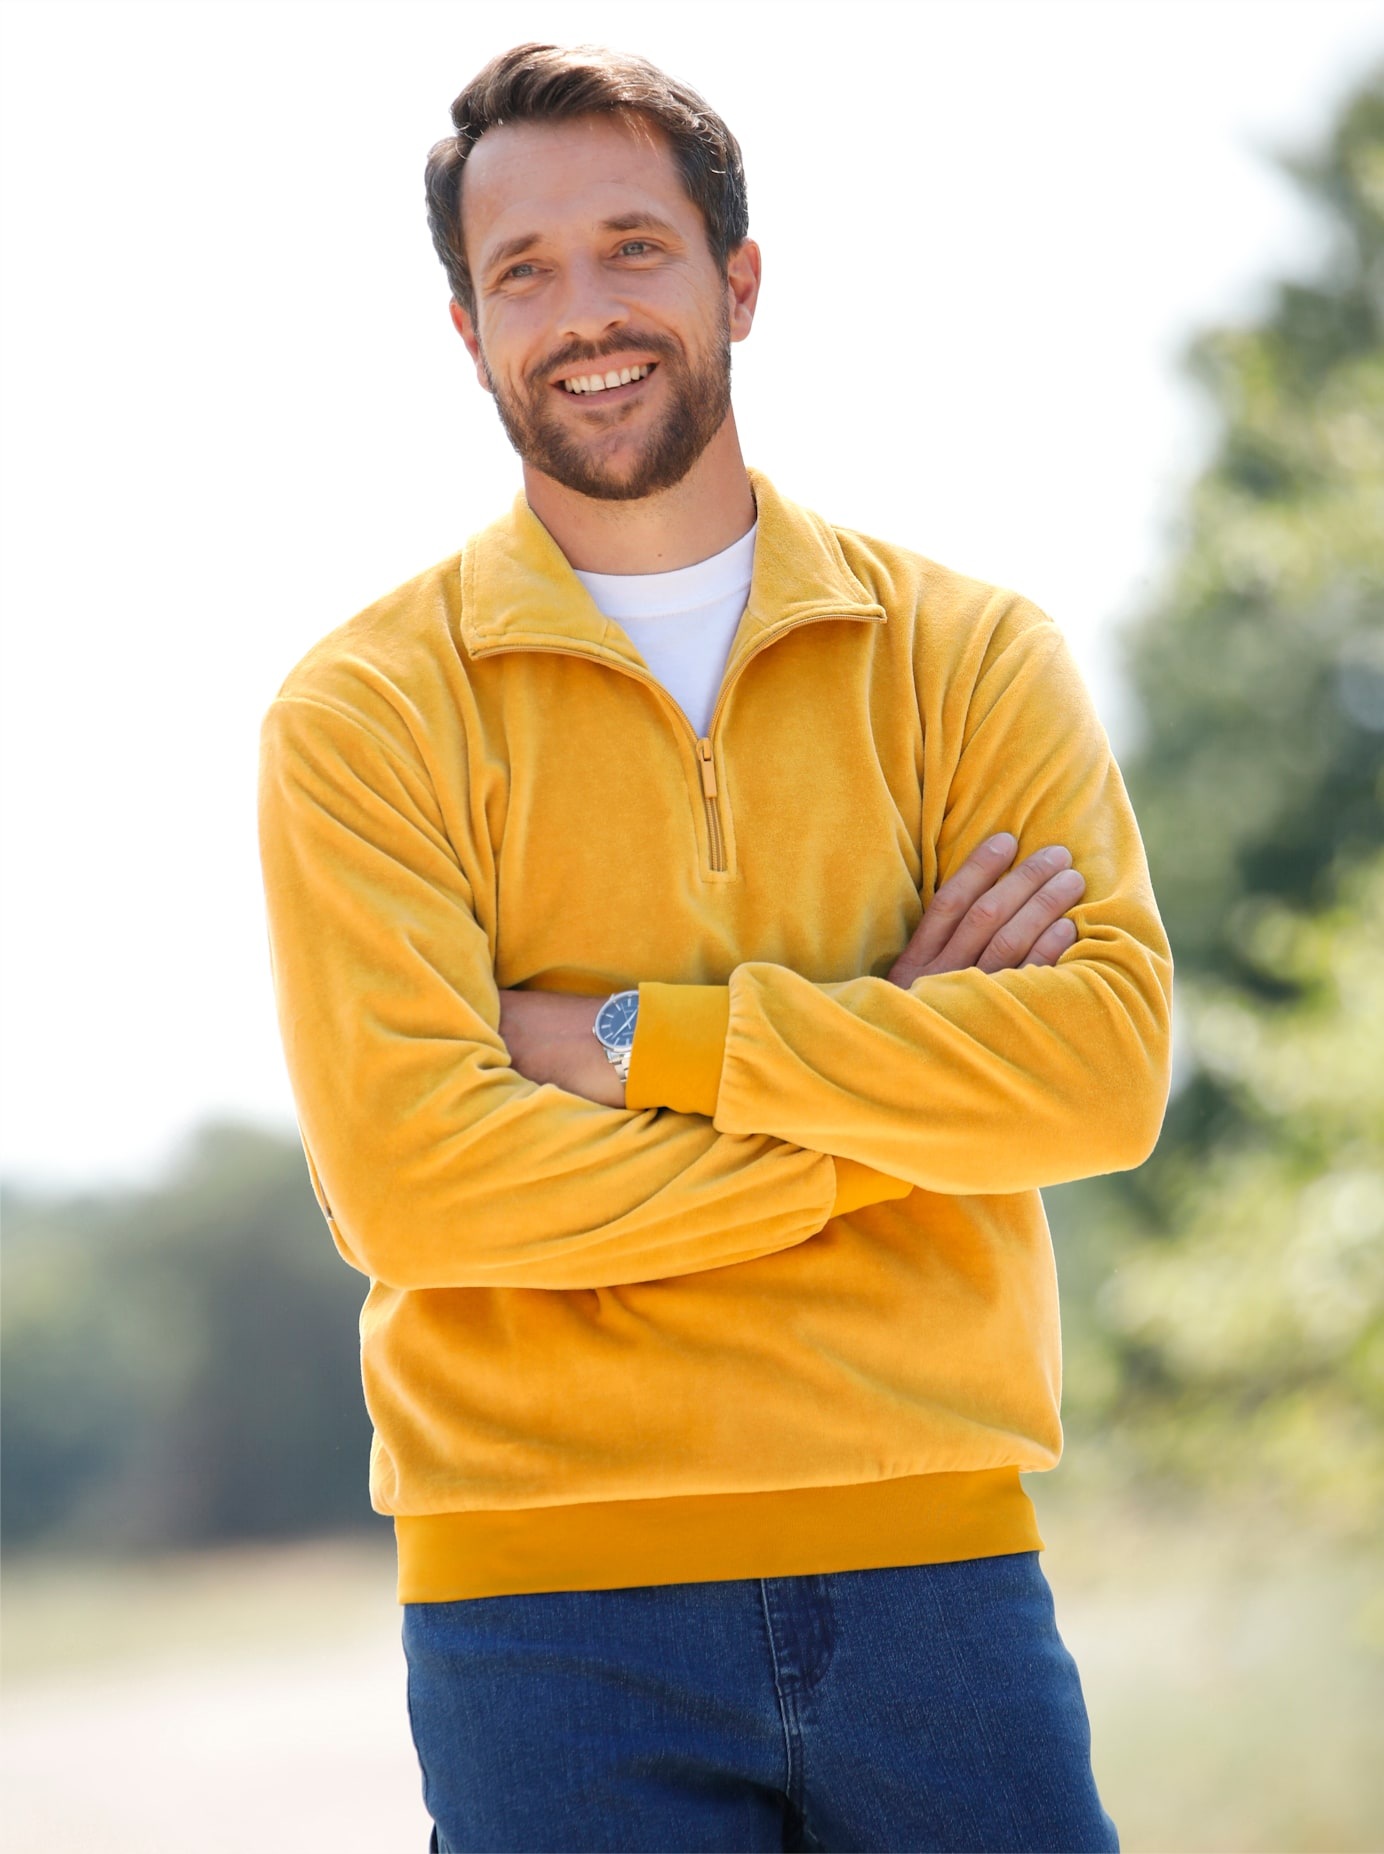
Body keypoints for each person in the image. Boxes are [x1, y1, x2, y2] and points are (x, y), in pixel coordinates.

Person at [257, 41, 1171, 1854]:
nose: (584, 312)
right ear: (466, 328)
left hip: (940, 1578)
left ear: (738, 279)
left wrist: (628, 1042)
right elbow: (421, 1186)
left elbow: (1102, 1072)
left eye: (633, 248)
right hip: (545, 1618)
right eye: (523, 271)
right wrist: (895, 1095)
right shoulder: (362, 715)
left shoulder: (968, 656)